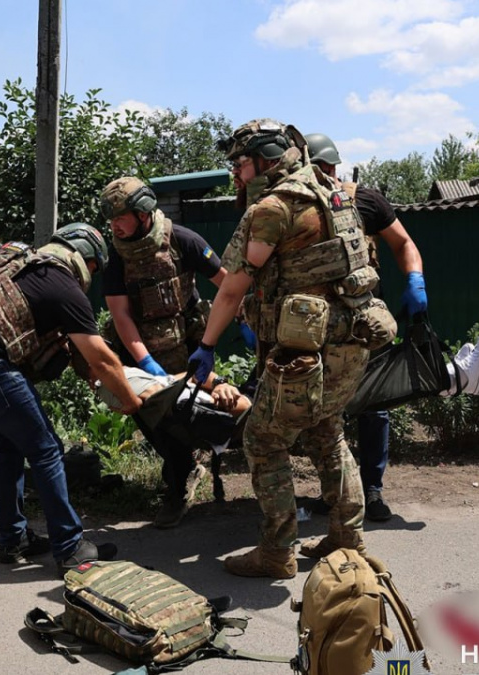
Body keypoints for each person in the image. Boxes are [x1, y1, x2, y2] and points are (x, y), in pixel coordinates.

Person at [189, 119, 398, 578]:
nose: (237, 175)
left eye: (240, 165)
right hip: (353, 342)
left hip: (304, 353)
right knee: (328, 433)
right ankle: (348, 539)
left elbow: (231, 289)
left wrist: (207, 344)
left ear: (264, 158)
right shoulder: (336, 193)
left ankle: (277, 551)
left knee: (262, 439)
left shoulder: (274, 207)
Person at [301, 133, 479, 523]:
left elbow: (404, 244)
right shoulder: (294, 208)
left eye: (326, 169)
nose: (324, 176)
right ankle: (336, 491)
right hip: (315, 328)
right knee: (321, 412)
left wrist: (415, 281)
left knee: (375, 405)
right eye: (317, 170)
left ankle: (372, 490)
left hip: (365, 322)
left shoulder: (363, 200)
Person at [0, 223, 141, 578]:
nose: (91, 276)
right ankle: (70, 547)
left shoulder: (28, 272)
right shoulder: (62, 282)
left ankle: (13, 540)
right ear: (86, 257)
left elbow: (79, 355)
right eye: (94, 267)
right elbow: (102, 358)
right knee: (46, 449)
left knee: (9, 447)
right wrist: (131, 401)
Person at [100, 177, 228, 528]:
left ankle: (187, 470)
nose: (115, 225)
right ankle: (180, 477)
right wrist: (144, 361)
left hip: (188, 349)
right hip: (141, 352)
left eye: (121, 217)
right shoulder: (117, 256)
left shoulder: (182, 240)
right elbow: (120, 315)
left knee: (194, 417)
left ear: (142, 213)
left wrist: (231, 329)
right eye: (110, 219)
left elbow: (227, 284)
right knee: (152, 420)